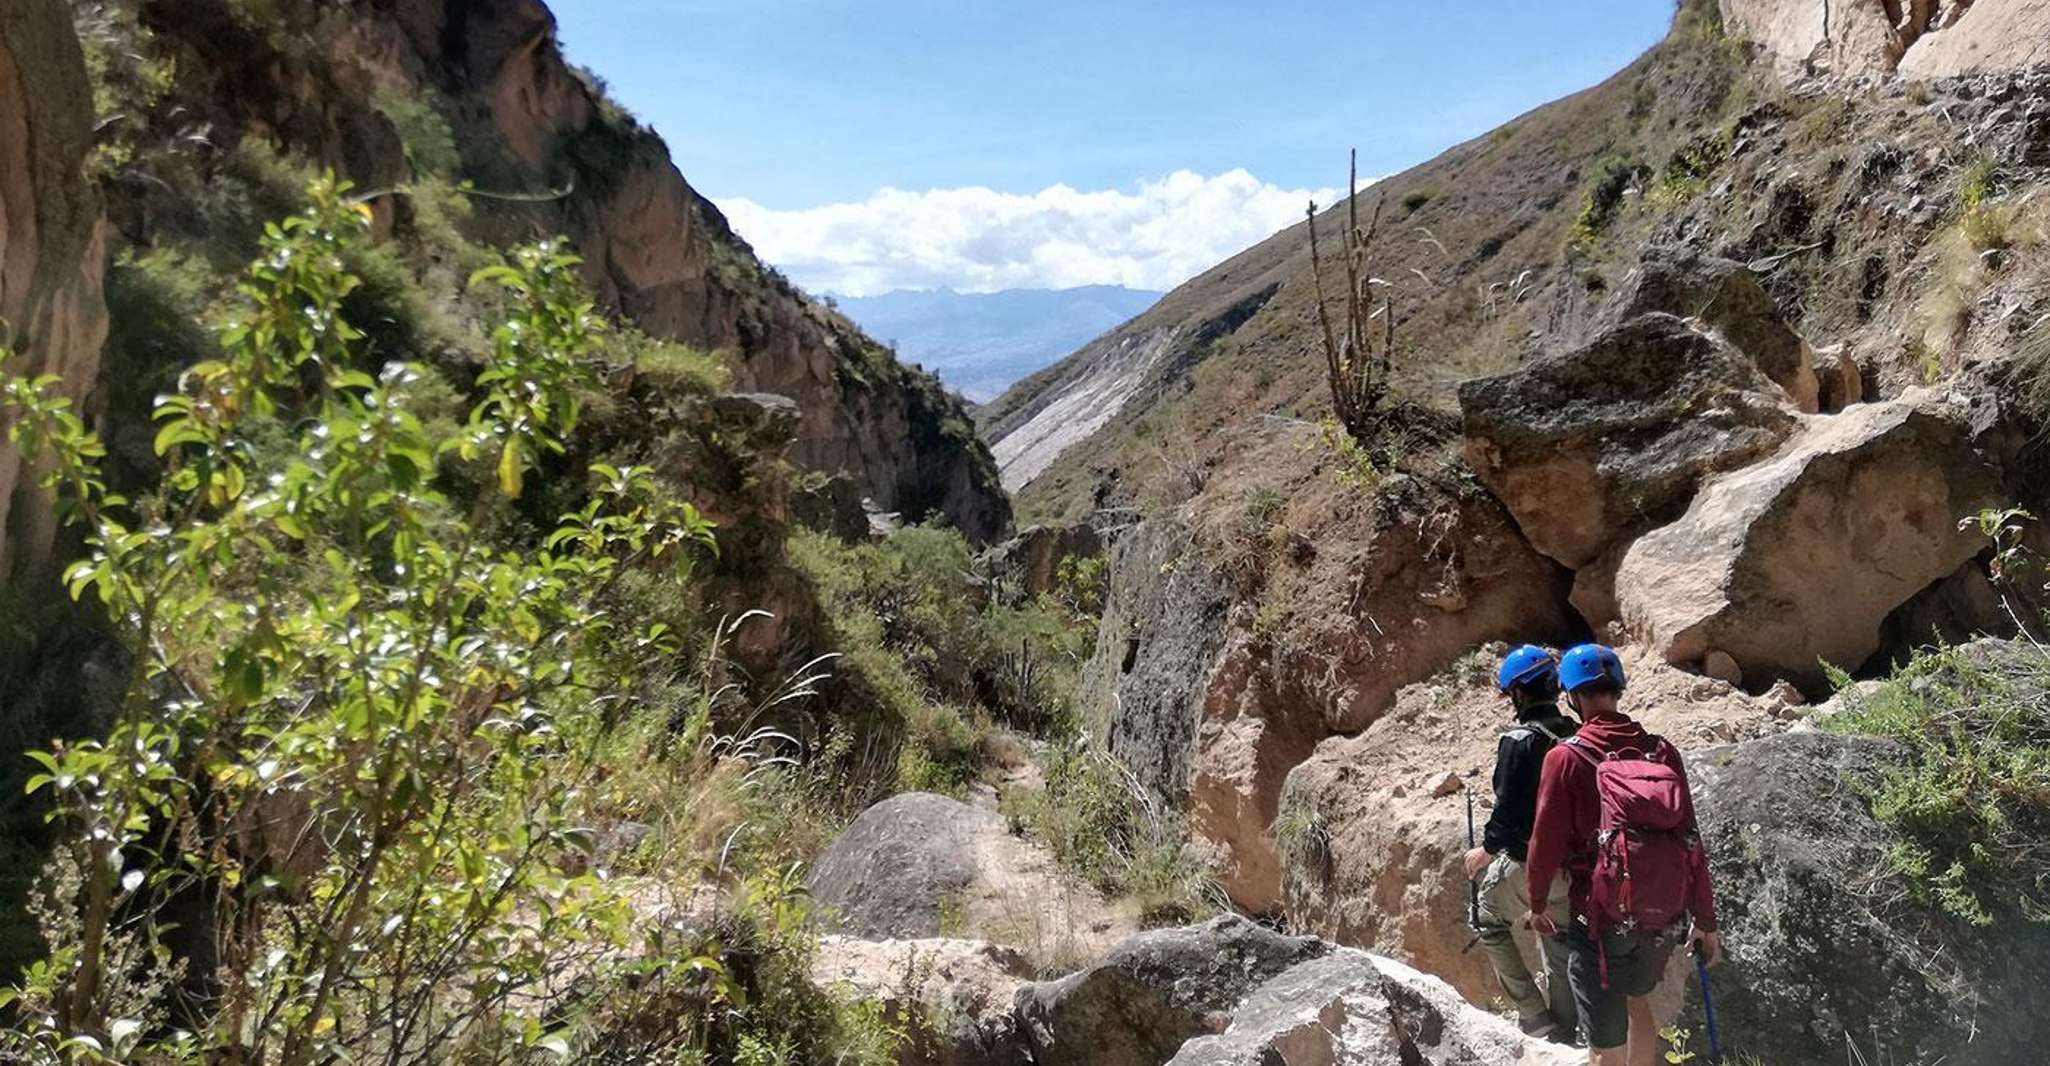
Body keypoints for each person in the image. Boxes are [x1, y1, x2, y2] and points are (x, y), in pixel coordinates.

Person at [1524, 644, 1722, 1066]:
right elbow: (1690, 838)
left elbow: (1544, 842)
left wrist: (1537, 902)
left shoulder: (1565, 758)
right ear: (1618, 689)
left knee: (1603, 1042)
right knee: (1637, 1003)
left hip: (1598, 917)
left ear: (1572, 697)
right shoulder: (1661, 751)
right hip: (1661, 915)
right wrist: (1705, 920)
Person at [1463, 644, 1579, 1040]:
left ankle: (1533, 1014)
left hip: (1530, 863)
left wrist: (1486, 851)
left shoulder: (1519, 740)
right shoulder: (1579, 734)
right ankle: (1565, 1029)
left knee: (1486, 917)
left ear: (1519, 693)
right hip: (1577, 865)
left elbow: (1509, 813)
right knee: (1561, 940)